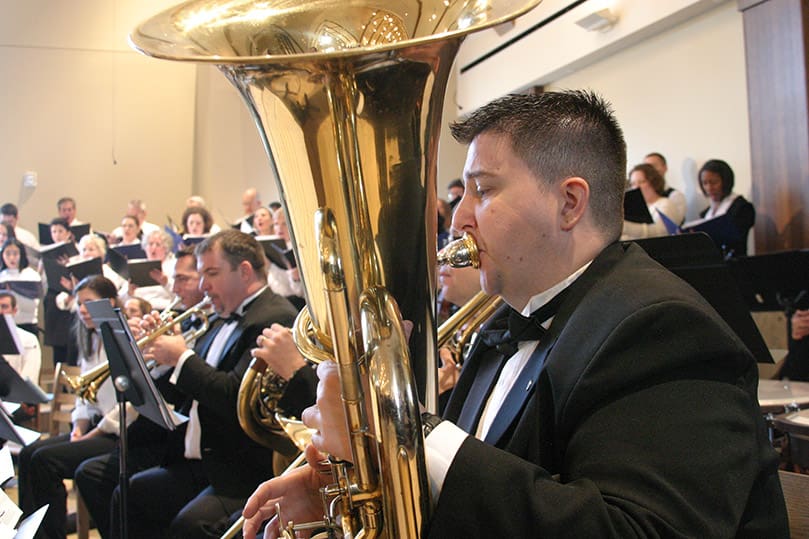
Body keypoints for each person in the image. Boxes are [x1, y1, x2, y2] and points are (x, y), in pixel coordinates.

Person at [241, 90, 787, 539]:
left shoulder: (663, 329)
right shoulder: (503, 323)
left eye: (483, 190)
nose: (458, 219)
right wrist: (364, 483)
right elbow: (476, 489)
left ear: (569, 203)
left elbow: (631, 531)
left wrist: (400, 428)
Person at [118, 230, 313, 538]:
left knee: (189, 525)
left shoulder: (271, 316)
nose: (202, 286)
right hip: (205, 458)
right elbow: (189, 391)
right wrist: (156, 356)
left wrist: (182, 359)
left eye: (211, 273)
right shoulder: (222, 316)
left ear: (245, 271)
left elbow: (233, 397)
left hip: (240, 469)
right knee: (132, 493)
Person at [75, 246, 209, 539]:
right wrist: (140, 350)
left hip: (178, 441)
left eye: (184, 279)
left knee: (124, 488)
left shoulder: (203, 324)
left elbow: (188, 388)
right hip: (154, 432)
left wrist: (173, 356)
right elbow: (149, 385)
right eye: (174, 279)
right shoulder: (183, 320)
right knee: (95, 475)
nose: (174, 288)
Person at [17, 275, 121, 539]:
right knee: (29, 454)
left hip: (115, 433)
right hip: (94, 427)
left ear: (108, 303)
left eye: (88, 303)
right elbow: (84, 398)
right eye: (79, 304)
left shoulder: (120, 339)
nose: (82, 310)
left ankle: (51, 535)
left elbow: (126, 408)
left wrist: (88, 436)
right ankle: (31, 533)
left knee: (45, 461)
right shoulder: (91, 339)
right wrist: (77, 427)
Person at [697, 158, 755, 257]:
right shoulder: (706, 212)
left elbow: (737, 239)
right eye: (705, 183)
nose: (709, 188)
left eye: (714, 182)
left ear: (726, 181)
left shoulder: (742, 207)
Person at [41, 218, 77, 365]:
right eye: (54, 231)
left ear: (68, 233)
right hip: (53, 299)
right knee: (57, 345)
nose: (57, 234)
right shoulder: (46, 254)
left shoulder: (76, 252)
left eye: (60, 231)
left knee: (71, 343)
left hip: (71, 299)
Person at [621, 163, 677, 240]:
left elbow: (661, 231)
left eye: (641, 182)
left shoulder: (665, 203)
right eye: (633, 184)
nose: (636, 187)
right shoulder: (637, 206)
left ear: (654, 182)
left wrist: (624, 227)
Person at [0, 238, 42, 335]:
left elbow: (33, 305)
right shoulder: (1, 276)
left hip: (28, 325)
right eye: (8, 254)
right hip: (4, 326)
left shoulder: (32, 275)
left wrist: (13, 293)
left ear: (22, 255)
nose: (11, 258)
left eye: (15, 254)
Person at [127, 229, 175, 310]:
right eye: (150, 244)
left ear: (166, 249)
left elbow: (178, 295)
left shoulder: (172, 266)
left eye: (158, 245)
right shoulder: (137, 266)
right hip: (138, 310)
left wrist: (166, 283)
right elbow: (122, 297)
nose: (153, 248)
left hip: (163, 309)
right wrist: (129, 292)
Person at [0, 290, 41, 385]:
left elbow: (29, 379)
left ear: (14, 311)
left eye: (4, 307)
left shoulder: (29, 340)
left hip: (15, 396)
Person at [643, 152, 686, 224]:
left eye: (654, 166)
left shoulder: (675, 196)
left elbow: (674, 223)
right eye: (646, 168)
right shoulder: (641, 196)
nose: (650, 171)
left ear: (665, 168)